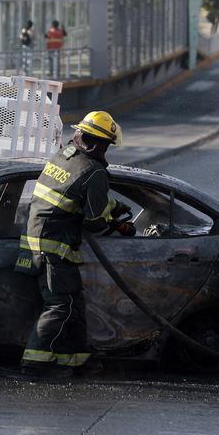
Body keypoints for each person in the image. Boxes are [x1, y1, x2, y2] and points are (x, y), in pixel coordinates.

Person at [15, 110, 133, 377]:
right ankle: (33, 363)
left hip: (34, 242)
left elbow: (71, 195)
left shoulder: (62, 157)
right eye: (107, 146)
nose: (107, 152)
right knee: (59, 305)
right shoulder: (94, 173)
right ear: (98, 144)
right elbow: (94, 221)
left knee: (73, 304)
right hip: (53, 249)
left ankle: (75, 360)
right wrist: (117, 224)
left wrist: (111, 205)